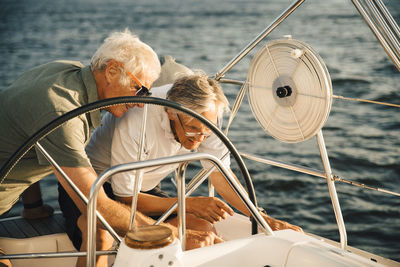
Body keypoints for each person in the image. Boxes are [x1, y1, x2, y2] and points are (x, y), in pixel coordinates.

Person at [0, 29, 220, 267]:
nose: (139, 103)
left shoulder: (63, 73)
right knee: (99, 232)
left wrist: (33, 207)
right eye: (139, 90)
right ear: (112, 71)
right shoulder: (61, 113)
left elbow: (25, 137)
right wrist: (175, 236)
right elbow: (98, 206)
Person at [60, 73, 303, 264]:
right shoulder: (137, 118)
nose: (199, 139)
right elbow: (125, 197)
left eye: (205, 132)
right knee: (100, 237)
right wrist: (186, 203)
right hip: (95, 188)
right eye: (192, 129)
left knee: (201, 227)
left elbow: (219, 175)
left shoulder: (208, 115)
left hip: (144, 189)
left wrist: (261, 217)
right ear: (171, 113)